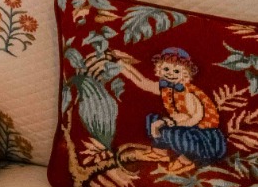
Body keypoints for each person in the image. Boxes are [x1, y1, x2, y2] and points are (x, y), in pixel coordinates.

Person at [96, 45, 226, 172]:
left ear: (185, 74)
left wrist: (168, 122)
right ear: (159, 69)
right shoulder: (166, 88)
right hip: (181, 123)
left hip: (202, 134)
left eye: (176, 71)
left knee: (173, 132)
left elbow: (193, 118)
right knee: (152, 119)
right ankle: (160, 152)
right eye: (166, 69)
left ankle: (187, 159)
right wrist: (119, 63)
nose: (170, 74)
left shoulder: (188, 94)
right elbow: (142, 82)